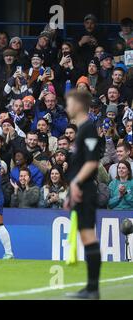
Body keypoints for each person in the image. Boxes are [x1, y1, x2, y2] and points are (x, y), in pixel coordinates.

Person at [64, 90, 101, 299]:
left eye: (69, 103)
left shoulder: (88, 128)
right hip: (79, 191)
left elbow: (92, 162)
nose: (67, 107)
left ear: (78, 105)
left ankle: (93, 289)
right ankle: (90, 288)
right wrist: (71, 191)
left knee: (88, 236)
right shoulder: (82, 129)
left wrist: (77, 183)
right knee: (86, 237)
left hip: (86, 191)